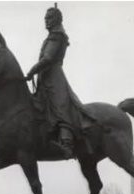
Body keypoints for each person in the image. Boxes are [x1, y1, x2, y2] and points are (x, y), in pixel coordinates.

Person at [26, 5, 95, 160]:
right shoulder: (52, 36)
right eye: (45, 18)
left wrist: (32, 71)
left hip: (54, 77)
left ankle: (67, 143)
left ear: (57, 19)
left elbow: (48, 58)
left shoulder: (58, 35)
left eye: (49, 18)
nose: (46, 21)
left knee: (60, 108)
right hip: (45, 77)